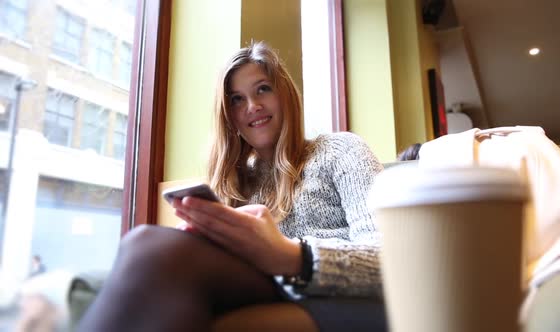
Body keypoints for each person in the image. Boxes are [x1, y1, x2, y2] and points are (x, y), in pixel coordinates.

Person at [78, 41, 385, 331]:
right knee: (144, 242)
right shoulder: (237, 183)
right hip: (265, 289)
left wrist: (293, 257)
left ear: (286, 96)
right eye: (237, 99)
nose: (252, 105)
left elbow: (391, 255)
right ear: (229, 116)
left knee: (148, 245)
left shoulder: (341, 150)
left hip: (341, 296)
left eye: (262, 89)